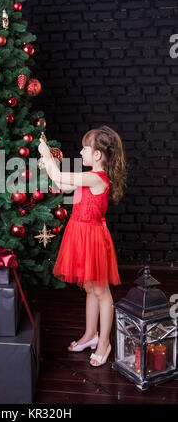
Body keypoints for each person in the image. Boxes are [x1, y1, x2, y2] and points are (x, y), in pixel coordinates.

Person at [38, 125, 128, 367]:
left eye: (85, 148)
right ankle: (90, 335)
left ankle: (104, 343)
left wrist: (47, 156)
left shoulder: (96, 177)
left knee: (101, 292)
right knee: (89, 288)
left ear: (97, 154)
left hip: (93, 237)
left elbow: (59, 177)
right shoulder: (88, 175)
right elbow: (65, 186)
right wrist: (49, 163)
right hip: (79, 233)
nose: (80, 152)